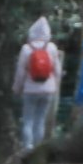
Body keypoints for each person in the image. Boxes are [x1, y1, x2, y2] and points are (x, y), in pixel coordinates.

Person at [12, 16, 63, 151]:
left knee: (28, 120)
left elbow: (21, 71)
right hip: (48, 90)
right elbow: (57, 70)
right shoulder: (51, 48)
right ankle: (38, 148)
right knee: (40, 120)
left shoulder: (26, 49)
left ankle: (27, 148)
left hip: (30, 89)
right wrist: (55, 85)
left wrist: (17, 87)